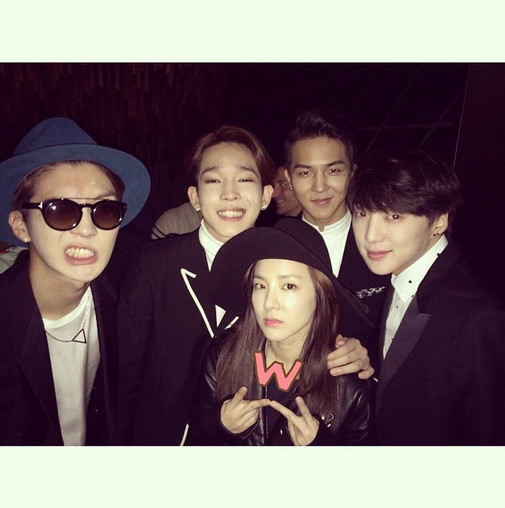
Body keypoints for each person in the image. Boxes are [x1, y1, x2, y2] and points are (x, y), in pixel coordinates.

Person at [113, 125, 372, 446]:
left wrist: (358, 354)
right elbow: (125, 378)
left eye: (245, 180)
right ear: (194, 197)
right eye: (213, 180)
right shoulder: (152, 264)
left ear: (265, 195)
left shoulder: (287, 266)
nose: (230, 194)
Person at [0, 117, 150, 445]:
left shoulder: (128, 294)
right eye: (61, 210)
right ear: (21, 226)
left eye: (105, 210)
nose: (87, 229)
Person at [347, 146, 505, 445]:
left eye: (394, 215)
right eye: (362, 213)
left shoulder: (479, 320)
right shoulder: (400, 273)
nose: (370, 235)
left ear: (439, 221)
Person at [185, 218, 373, 445]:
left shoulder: (349, 387)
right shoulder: (223, 353)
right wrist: (218, 426)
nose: (269, 303)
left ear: (320, 294)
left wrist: (320, 446)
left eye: (288, 286)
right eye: (260, 286)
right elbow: (194, 438)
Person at [283, 108, 390, 366]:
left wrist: (371, 362)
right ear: (288, 178)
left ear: (352, 174)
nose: (320, 186)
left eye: (333, 171)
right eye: (305, 173)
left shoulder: (385, 243)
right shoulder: (274, 245)